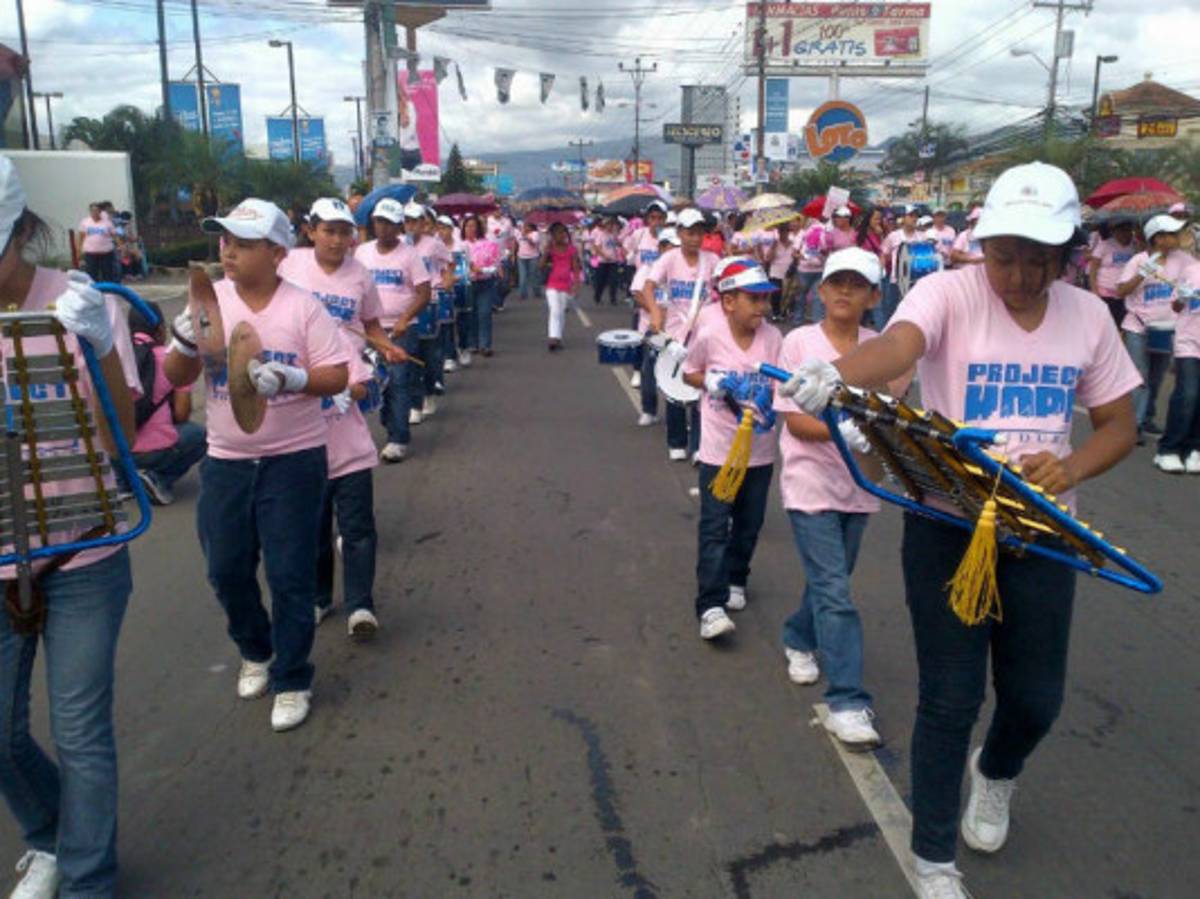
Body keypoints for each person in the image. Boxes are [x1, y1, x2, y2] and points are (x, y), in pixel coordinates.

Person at [780, 162, 1141, 899]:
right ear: (984, 243)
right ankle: (934, 856)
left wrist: (1069, 472)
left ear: (1069, 249)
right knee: (949, 696)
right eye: (1005, 252)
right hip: (950, 524)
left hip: (1040, 531)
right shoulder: (947, 290)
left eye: (1040, 255)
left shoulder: (1088, 315)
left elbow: (1118, 425)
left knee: (1035, 699)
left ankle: (997, 771)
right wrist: (840, 373)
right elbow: (903, 346)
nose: (1019, 271)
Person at [0, 157, 141, 899]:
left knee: (82, 731)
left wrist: (99, 346)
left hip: (83, 550)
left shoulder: (82, 303)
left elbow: (125, 431)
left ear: (21, 235)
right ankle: (54, 832)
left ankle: (88, 878)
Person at [165, 198, 350, 733]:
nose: (228, 252)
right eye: (224, 241)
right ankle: (256, 649)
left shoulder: (303, 308)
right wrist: (182, 340)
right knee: (225, 568)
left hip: (293, 461)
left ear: (276, 252)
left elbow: (336, 375)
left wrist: (292, 380)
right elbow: (177, 377)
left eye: (242, 244)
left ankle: (293, 678)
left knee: (290, 575)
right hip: (226, 461)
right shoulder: (210, 299)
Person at [775, 247, 911, 750]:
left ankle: (797, 635)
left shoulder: (883, 348)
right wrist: (845, 434)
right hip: (809, 483)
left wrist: (873, 433)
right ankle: (848, 701)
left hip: (861, 484)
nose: (844, 291)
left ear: (875, 295)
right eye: (837, 282)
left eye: (857, 284)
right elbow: (796, 419)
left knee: (832, 579)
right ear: (821, 289)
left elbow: (892, 414)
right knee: (835, 589)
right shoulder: (799, 342)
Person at [681, 257, 782, 640]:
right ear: (728, 301)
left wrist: (775, 402)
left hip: (760, 451)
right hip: (719, 450)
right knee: (714, 526)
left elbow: (782, 381)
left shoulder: (773, 338)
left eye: (765, 300)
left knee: (749, 523)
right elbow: (690, 371)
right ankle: (710, 605)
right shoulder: (710, 335)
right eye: (753, 299)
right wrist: (711, 382)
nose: (762, 307)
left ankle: (737, 577)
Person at [354, 198, 431, 461]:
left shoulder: (410, 255)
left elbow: (424, 292)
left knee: (398, 382)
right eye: (379, 222)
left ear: (400, 227)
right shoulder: (362, 252)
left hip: (401, 330)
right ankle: (390, 424)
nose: (383, 228)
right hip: (368, 331)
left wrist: (405, 318)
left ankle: (398, 439)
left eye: (389, 223)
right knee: (376, 382)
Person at [641, 209, 719, 462]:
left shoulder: (713, 260)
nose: (695, 238)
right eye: (690, 232)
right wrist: (654, 314)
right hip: (675, 332)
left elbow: (722, 291)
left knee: (700, 389)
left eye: (699, 232)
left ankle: (699, 446)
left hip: (704, 333)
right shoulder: (669, 259)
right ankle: (677, 441)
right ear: (680, 233)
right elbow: (649, 286)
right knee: (674, 386)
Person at [1116, 214, 1188, 446]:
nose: (1177, 238)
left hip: (1167, 329)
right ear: (1157, 238)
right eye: (1171, 234)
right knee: (1141, 378)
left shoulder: (1183, 260)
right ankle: (1133, 424)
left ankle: (1146, 416)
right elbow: (1121, 291)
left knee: (1157, 378)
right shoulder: (1138, 260)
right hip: (1138, 327)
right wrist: (1142, 274)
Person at [127, 300, 207, 506]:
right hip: (151, 453)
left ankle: (123, 480)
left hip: (115, 451)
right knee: (199, 435)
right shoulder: (171, 360)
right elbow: (182, 414)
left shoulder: (115, 357)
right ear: (161, 330)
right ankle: (159, 479)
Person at [1154, 266, 1200, 473]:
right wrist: (1182, 297)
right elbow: (1176, 306)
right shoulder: (1191, 271)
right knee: (1187, 394)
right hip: (1189, 342)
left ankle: (1194, 449)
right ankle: (1168, 449)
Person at [409, 204, 452, 416]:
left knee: (430, 354)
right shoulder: (399, 246)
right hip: (407, 306)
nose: (409, 226)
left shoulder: (433, 245)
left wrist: (447, 280)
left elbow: (449, 264)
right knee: (411, 355)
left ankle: (429, 392)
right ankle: (415, 404)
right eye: (405, 221)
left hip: (431, 300)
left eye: (414, 221)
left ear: (422, 223)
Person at [1087, 219, 1138, 329]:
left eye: (1129, 230)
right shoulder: (1105, 245)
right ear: (1114, 232)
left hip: (1126, 293)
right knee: (1107, 325)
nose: (1126, 233)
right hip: (1105, 293)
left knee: (1124, 325)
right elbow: (1093, 270)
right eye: (1122, 230)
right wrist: (1094, 291)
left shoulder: (1135, 245)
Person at [463, 215, 501, 357]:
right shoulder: (461, 245)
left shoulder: (488, 244)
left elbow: (495, 266)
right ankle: (473, 343)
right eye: (467, 226)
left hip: (485, 282)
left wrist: (482, 270)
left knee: (484, 313)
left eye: (473, 226)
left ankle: (485, 345)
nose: (470, 229)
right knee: (471, 314)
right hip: (468, 283)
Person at [877, 205, 920, 328]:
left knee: (912, 311)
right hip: (896, 280)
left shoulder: (922, 236)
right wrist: (880, 272)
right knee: (891, 311)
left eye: (916, 216)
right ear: (903, 218)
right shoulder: (893, 236)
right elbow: (884, 254)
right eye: (911, 216)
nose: (914, 219)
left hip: (915, 282)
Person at [541, 222, 580, 351]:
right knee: (555, 309)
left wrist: (576, 283)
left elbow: (575, 268)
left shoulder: (571, 249)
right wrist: (546, 253)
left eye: (563, 232)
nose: (561, 235)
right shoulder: (550, 249)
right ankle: (553, 337)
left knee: (561, 311)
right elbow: (540, 267)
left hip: (566, 284)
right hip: (552, 283)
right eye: (558, 233)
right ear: (552, 235)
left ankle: (558, 337)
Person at [76, 203, 118, 284]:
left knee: (107, 274)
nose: (94, 213)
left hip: (106, 253)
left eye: (96, 211)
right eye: (92, 211)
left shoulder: (107, 223)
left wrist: (120, 246)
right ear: (90, 212)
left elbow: (115, 236)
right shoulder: (85, 222)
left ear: (100, 212)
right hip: (90, 253)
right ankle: (94, 291)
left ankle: (108, 292)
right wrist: (79, 249)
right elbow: (81, 237)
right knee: (91, 274)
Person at [591, 217, 622, 306]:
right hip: (603, 262)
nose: (610, 227)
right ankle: (597, 296)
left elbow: (617, 244)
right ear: (605, 225)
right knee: (601, 281)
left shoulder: (613, 235)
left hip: (613, 261)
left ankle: (613, 299)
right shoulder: (601, 234)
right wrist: (604, 256)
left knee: (613, 280)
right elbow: (596, 247)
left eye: (611, 225)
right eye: (608, 225)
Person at [516, 220, 542, 301]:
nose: (525, 228)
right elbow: (516, 243)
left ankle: (537, 291)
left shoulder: (535, 234)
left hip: (533, 257)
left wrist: (526, 237)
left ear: (531, 227)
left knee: (533, 276)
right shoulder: (519, 234)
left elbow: (534, 243)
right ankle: (522, 294)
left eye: (527, 226)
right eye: (524, 226)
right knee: (522, 276)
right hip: (521, 257)